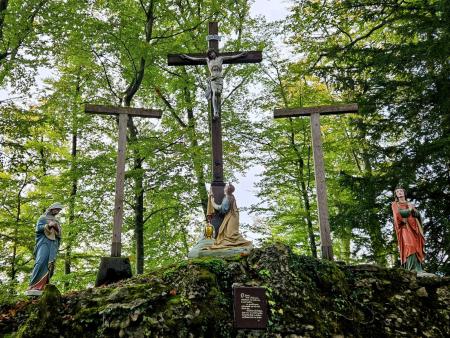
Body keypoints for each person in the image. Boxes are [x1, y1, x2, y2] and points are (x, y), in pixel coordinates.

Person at [180, 49, 246, 119]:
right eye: (210, 54)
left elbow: (231, 57)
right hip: (213, 78)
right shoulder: (208, 60)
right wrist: (187, 57)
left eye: (212, 53)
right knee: (215, 92)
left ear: (215, 53)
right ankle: (215, 112)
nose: (211, 54)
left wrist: (240, 55)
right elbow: (196, 59)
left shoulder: (220, 58)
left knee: (218, 93)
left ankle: (217, 110)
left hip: (219, 77)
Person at [25, 202, 63, 296]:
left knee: (50, 264)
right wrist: (49, 225)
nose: (58, 211)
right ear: (52, 208)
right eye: (57, 209)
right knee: (40, 261)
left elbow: (59, 234)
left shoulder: (57, 221)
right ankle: (33, 285)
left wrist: (56, 227)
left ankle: (44, 286)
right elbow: (38, 229)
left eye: (59, 210)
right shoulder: (42, 218)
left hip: (52, 244)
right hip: (43, 243)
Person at [206, 183, 251, 250]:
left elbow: (222, 209)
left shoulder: (227, 198)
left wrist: (213, 202)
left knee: (231, 234)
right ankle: (235, 243)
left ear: (227, 189)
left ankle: (237, 244)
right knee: (229, 232)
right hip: (234, 215)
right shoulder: (231, 196)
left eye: (226, 187)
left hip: (232, 216)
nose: (224, 187)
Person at [391, 187, 425, 273]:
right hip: (405, 227)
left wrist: (414, 211)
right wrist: (409, 210)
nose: (399, 192)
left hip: (415, 228)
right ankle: (411, 268)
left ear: (404, 193)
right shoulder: (395, 204)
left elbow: (417, 214)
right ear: (396, 195)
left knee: (417, 247)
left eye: (401, 191)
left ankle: (419, 268)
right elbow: (398, 216)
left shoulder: (409, 203)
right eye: (397, 192)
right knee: (410, 246)